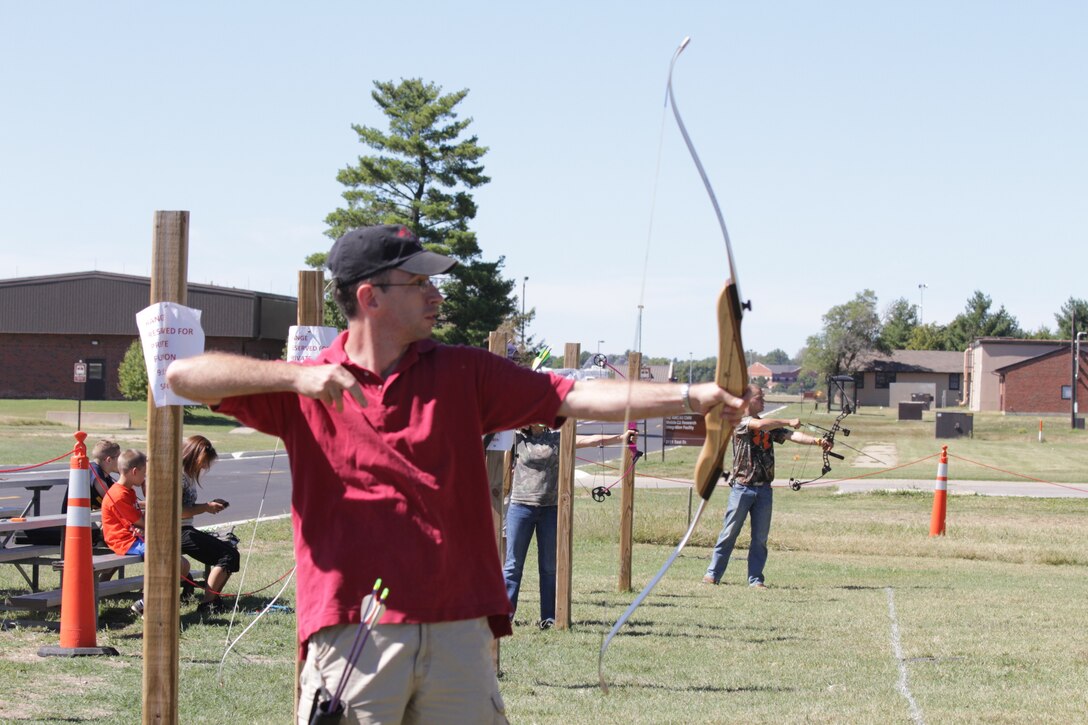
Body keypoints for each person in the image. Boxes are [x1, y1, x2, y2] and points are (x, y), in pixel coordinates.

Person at [167, 223, 747, 724]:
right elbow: (184, 376)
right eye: (418, 282)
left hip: (459, 626)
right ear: (370, 296)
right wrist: (295, 378)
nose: (435, 293)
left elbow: (576, 396)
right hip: (355, 629)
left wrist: (694, 394)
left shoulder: (464, 372)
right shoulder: (307, 385)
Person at [504, 424, 637, 630]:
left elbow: (591, 440)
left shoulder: (558, 437)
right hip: (520, 507)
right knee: (513, 566)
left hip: (550, 509)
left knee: (549, 567)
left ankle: (548, 617)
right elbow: (492, 429)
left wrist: (621, 437)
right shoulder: (515, 437)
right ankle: (505, 616)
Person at [702, 384, 832, 588]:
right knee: (729, 533)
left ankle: (755, 579)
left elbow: (791, 435)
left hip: (764, 490)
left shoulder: (768, 425)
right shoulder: (740, 421)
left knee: (760, 538)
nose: (763, 401)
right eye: (760, 397)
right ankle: (712, 574)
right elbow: (760, 426)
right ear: (747, 401)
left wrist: (817, 441)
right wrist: (788, 419)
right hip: (742, 488)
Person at [100, 449, 191, 616]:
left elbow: (141, 521)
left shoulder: (128, 491)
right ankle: (150, 604)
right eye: (144, 474)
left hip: (135, 538)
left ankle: (153, 601)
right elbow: (145, 523)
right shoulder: (118, 494)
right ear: (134, 471)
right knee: (175, 563)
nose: (145, 478)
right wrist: (150, 497)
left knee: (183, 564)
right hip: (125, 542)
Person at [179, 435, 239, 615]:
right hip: (176, 531)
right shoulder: (179, 476)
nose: (205, 467)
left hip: (185, 529)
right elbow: (179, 511)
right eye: (204, 462)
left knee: (229, 552)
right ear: (194, 455)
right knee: (228, 555)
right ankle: (208, 603)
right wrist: (206, 507)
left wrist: (207, 507)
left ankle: (212, 599)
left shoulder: (187, 475)